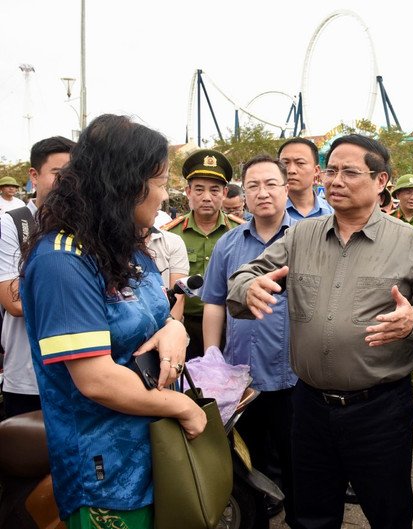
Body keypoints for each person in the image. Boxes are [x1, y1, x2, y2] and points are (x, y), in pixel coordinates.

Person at [227, 134, 413, 529]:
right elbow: (246, 276)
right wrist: (249, 287)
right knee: (312, 515)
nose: (335, 180)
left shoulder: (411, 242)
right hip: (311, 408)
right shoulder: (300, 236)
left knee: (388, 511)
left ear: (382, 180)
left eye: (350, 172)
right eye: (330, 170)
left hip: (380, 410)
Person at [19, 114, 205, 527]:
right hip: (105, 470)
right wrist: (181, 406)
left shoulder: (125, 247)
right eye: (159, 182)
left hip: (154, 450)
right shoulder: (62, 261)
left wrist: (175, 331)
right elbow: (96, 379)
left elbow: (159, 313)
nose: (164, 194)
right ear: (124, 182)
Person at [200, 154, 298, 528]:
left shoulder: (307, 237)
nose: (263, 192)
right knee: (247, 460)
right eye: (253, 185)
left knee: (297, 461)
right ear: (243, 193)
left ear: (286, 189)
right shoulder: (228, 244)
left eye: (271, 184)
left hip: (293, 375)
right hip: (242, 376)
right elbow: (213, 302)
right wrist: (213, 356)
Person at [0, 135, 74, 418]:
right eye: (58, 173)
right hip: (27, 376)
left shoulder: (87, 228)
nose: (67, 182)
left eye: (73, 174)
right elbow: (13, 302)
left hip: (79, 375)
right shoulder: (14, 223)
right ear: (34, 175)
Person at [162, 148, 245, 359]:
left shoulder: (241, 232)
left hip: (229, 324)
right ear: (188, 192)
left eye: (215, 190)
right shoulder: (169, 234)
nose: (207, 197)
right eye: (199, 190)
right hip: (183, 324)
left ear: (225, 194)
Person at [278, 137, 333, 220]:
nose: (291, 170)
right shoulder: (269, 213)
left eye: (300, 163)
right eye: (285, 163)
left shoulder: (333, 213)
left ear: (316, 170)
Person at [145, 225, 189, 321]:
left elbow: (178, 294)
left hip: (166, 322)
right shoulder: (109, 243)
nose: (159, 209)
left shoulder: (172, 241)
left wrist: (171, 330)